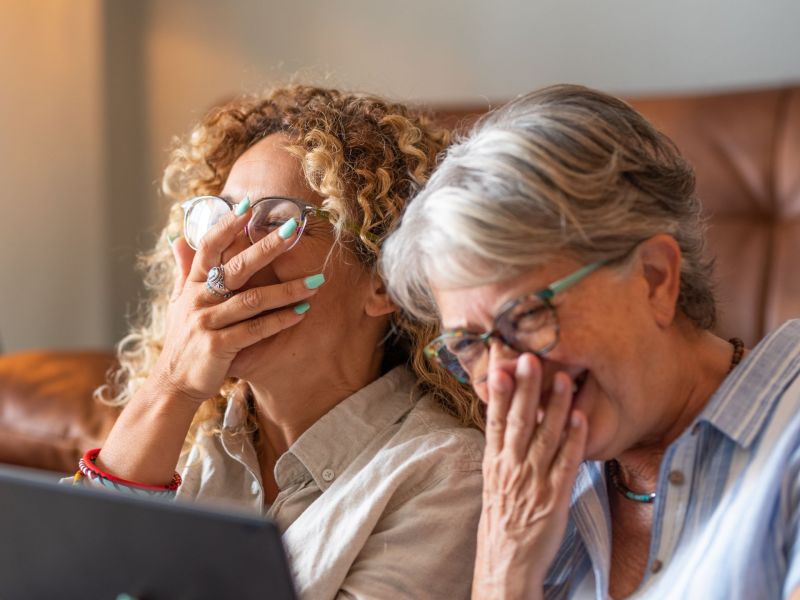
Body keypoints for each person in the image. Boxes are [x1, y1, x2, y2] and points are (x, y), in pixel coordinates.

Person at [381, 84, 800, 599]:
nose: (502, 376)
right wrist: (503, 571)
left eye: (528, 315)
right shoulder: (524, 497)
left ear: (654, 278)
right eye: (469, 345)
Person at [72, 85, 484, 599]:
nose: (227, 254)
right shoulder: (185, 441)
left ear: (385, 277)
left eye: (277, 222)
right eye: (220, 218)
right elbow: (66, 580)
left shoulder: (446, 473)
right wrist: (169, 384)